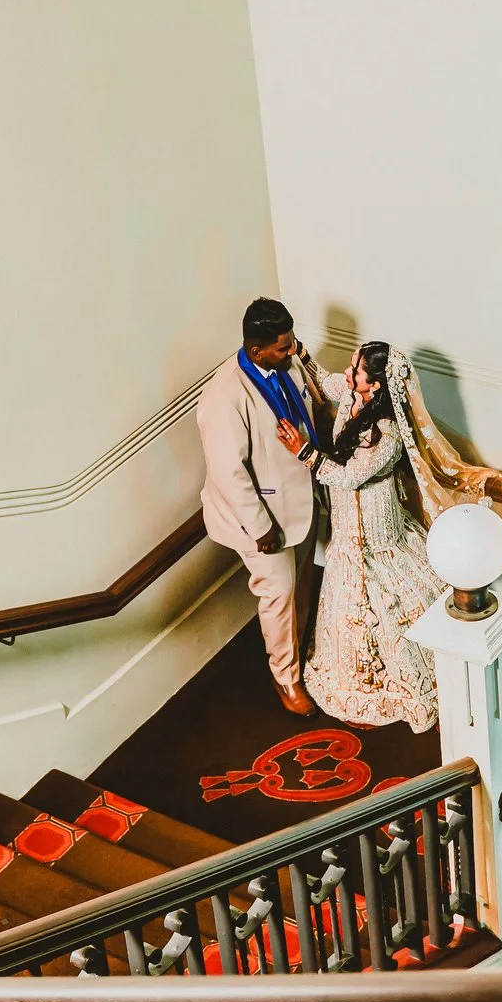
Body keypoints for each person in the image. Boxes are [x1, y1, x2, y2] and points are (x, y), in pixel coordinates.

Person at [283, 340, 451, 730]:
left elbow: (350, 476)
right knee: (346, 599)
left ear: (374, 385)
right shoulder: (353, 396)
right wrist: (301, 353)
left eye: (356, 369)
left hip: (376, 524)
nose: (348, 372)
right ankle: (359, 683)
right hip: (346, 522)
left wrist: (304, 451)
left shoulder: (388, 431)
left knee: (387, 598)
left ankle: (403, 686)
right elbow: (327, 383)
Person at [196, 297, 344, 716]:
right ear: (256, 350)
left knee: (301, 583)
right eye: (283, 346)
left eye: (292, 341)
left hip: (302, 497)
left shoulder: (286, 362)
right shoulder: (223, 398)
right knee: (277, 593)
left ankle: (301, 646)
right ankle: (286, 678)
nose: (292, 350)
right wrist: (260, 528)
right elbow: (229, 474)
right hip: (260, 519)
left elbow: (309, 409)